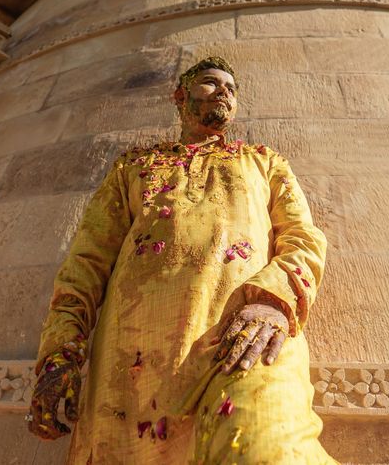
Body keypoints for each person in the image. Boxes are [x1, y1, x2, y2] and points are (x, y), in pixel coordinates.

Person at [26, 56, 336, 464]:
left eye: (231, 87)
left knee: (268, 447)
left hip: (243, 335)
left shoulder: (264, 161)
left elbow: (302, 237)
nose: (224, 91)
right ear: (179, 96)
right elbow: (85, 265)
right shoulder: (133, 167)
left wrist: (273, 301)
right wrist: (59, 358)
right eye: (210, 82)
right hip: (134, 360)